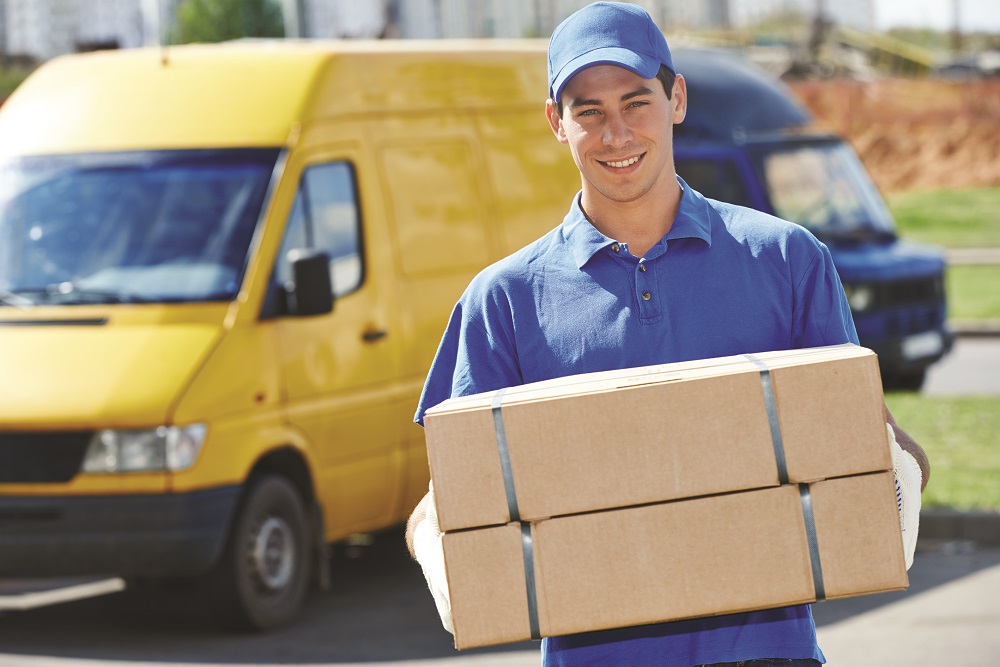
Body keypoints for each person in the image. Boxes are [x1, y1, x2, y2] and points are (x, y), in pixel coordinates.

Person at [406, 3, 929, 665]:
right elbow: (447, 502)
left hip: (767, 654)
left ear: (676, 98)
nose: (616, 133)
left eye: (635, 102)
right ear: (555, 124)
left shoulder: (786, 260)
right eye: (588, 111)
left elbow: (870, 449)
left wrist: (894, 480)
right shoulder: (502, 300)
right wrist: (442, 553)